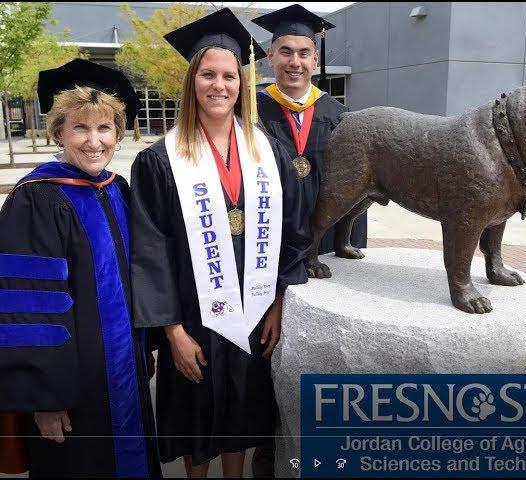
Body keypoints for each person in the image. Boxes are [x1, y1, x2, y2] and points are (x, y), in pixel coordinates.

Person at [129, 8, 310, 478]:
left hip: (254, 311)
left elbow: (294, 231)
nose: (219, 85)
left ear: (240, 83)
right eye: (208, 74)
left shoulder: (265, 148)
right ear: (192, 81)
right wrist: (171, 332)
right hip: (194, 316)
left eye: (229, 75)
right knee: (197, 414)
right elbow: (150, 252)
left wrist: (277, 304)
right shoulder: (159, 160)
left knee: (246, 412)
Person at [0, 59, 161, 477]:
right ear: (58, 132)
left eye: (104, 128)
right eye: (80, 128)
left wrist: (146, 345)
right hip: (72, 393)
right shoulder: (36, 200)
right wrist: (45, 399)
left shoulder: (117, 189)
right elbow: (29, 306)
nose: (94, 142)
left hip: (124, 374)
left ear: (118, 133)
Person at [252, 3, 368, 259]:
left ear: (315, 59)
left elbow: (356, 186)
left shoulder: (340, 115)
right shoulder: (249, 112)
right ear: (270, 56)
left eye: (304, 53)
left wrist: (350, 242)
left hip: (325, 240)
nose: (295, 62)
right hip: (269, 237)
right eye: (286, 52)